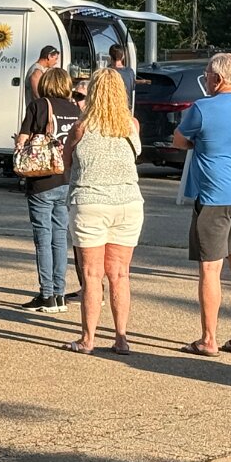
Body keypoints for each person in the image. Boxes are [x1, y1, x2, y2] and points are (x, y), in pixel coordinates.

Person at [172, 52, 231, 357]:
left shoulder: (202, 108)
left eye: (207, 75)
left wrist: (199, 143)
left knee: (211, 269)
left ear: (218, 79)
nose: (206, 80)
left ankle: (208, 339)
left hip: (214, 196)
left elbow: (178, 140)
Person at [62, 68, 143, 354]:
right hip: (128, 202)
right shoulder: (131, 124)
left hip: (90, 202)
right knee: (120, 274)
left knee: (91, 274)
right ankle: (121, 337)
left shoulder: (81, 127)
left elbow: (66, 161)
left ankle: (88, 338)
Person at [15, 66, 81, 312]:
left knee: (43, 238)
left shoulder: (39, 106)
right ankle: (60, 294)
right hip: (65, 178)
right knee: (60, 238)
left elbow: (23, 139)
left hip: (41, 179)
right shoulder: (75, 110)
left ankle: (46, 295)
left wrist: (19, 146)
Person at [108, 43, 136, 109]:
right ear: (123, 56)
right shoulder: (130, 72)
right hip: (126, 110)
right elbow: (132, 88)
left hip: (111, 110)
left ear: (110, 57)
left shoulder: (107, 73)